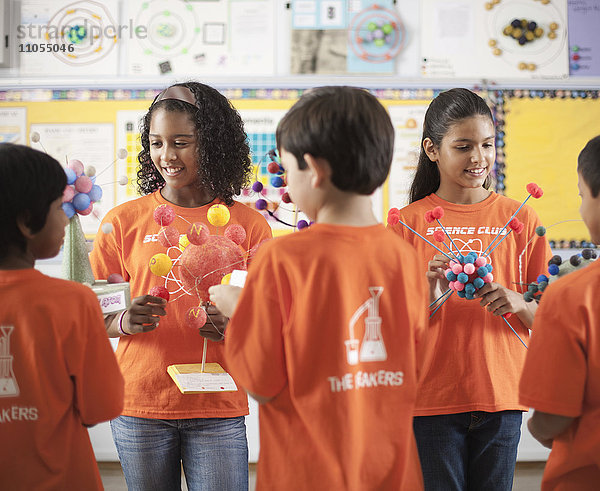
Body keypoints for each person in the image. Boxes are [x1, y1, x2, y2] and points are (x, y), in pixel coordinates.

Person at [208, 86, 429, 490]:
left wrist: (241, 309)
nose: (288, 182)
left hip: (308, 473)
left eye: (288, 169)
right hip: (389, 471)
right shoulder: (405, 258)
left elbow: (262, 382)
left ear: (313, 168)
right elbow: (412, 364)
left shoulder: (285, 258)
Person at [89, 82, 272, 490]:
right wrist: (122, 320)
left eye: (181, 142)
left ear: (213, 143)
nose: (166, 157)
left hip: (217, 403)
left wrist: (233, 324)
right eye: (156, 143)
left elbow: (264, 318)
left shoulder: (249, 224)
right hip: (140, 404)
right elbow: (92, 315)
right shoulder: (122, 222)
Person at [388, 88, 552, 490]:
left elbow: (550, 321)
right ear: (432, 148)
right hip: (430, 399)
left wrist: (518, 301)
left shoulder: (521, 218)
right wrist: (426, 286)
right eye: (463, 147)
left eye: (487, 145)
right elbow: (388, 329)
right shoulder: (405, 223)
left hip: (502, 395)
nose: (478, 158)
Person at [0, 144, 124, 490]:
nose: (66, 217)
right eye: (59, 207)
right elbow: (103, 405)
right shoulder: (73, 303)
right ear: (27, 221)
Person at [520, 135, 600, 490]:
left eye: (582, 196)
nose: (581, 209)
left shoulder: (572, 296)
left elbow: (551, 418)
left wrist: (536, 428)